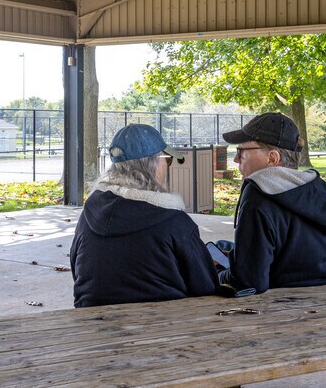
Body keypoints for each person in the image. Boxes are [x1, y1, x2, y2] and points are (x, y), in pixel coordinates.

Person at [70, 123, 219, 307]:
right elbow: (206, 285)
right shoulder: (174, 221)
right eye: (167, 160)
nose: (168, 166)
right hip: (162, 328)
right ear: (153, 165)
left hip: (91, 322)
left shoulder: (90, 212)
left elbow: (76, 268)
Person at [217, 112, 326, 293]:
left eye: (241, 151)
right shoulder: (320, 188)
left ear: (272, 158)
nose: (236, 159)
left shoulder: (258, 196)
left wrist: (218, 273)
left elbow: (250, 282)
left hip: (286, 308)